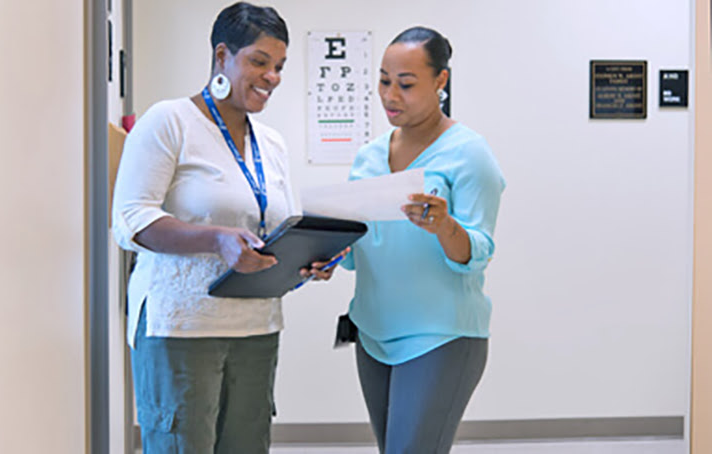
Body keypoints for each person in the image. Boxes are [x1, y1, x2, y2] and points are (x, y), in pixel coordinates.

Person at [111, 3, 337, 452]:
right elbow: (131, 220)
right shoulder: (169, 121)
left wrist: (309, 259)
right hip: (181, 327)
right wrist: (216, 239)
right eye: (259, 61)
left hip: (256, 327)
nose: (271, 76)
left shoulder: (270, 144)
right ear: (221, 57)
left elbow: (276, 227)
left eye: (279, 66)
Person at [340, 26, 506, 453]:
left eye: (406, 84)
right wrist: (324, 251)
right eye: (384, 80)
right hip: (373, 331)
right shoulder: (368, 156)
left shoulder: (469, 154)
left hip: (441, 336)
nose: (391, 95)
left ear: (441, 81)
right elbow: (358, 253)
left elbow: (477, 252)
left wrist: (444, 226)